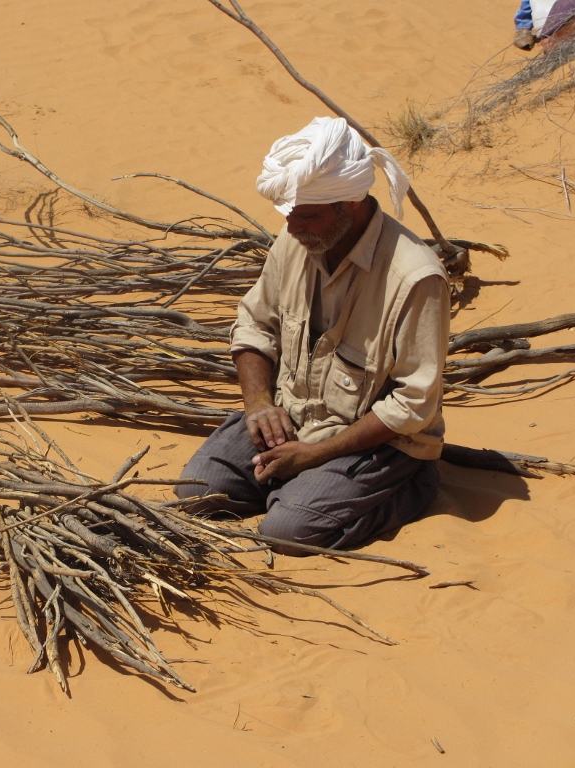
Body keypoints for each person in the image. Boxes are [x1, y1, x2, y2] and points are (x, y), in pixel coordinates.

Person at [175, 117, 450, 554]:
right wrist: (259, 405)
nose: (295, 226)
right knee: (197, 494)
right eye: (289, 214)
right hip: (293, 414)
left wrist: (316, 455)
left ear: (352, 203)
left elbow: (414, 404)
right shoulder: (295, 238)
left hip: (375, 441)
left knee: (287, 533)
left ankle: (409, 486)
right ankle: (305, 489)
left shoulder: (415, 278)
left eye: (309, 216)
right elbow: (254, 324)